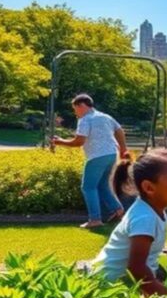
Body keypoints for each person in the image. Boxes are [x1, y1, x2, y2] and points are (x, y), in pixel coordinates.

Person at [91, 149, 167, 296]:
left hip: (121, 285)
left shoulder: (152, 212)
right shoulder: (145, 218)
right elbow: (136, 268)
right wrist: (165, 295)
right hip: (107, 287)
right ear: (149, 187)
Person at [52, 94, 128, 228]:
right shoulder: (105, 116)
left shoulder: (85, 119)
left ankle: (95, 219)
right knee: (102, 185)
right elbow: (119, 130)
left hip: (97, 156)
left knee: (88, 187)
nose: (75, 112)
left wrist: (59, 142)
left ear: (81, 105)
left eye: (74, 108)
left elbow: (79, 142)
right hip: (111, 154)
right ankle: (117, 210)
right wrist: (123, 149)